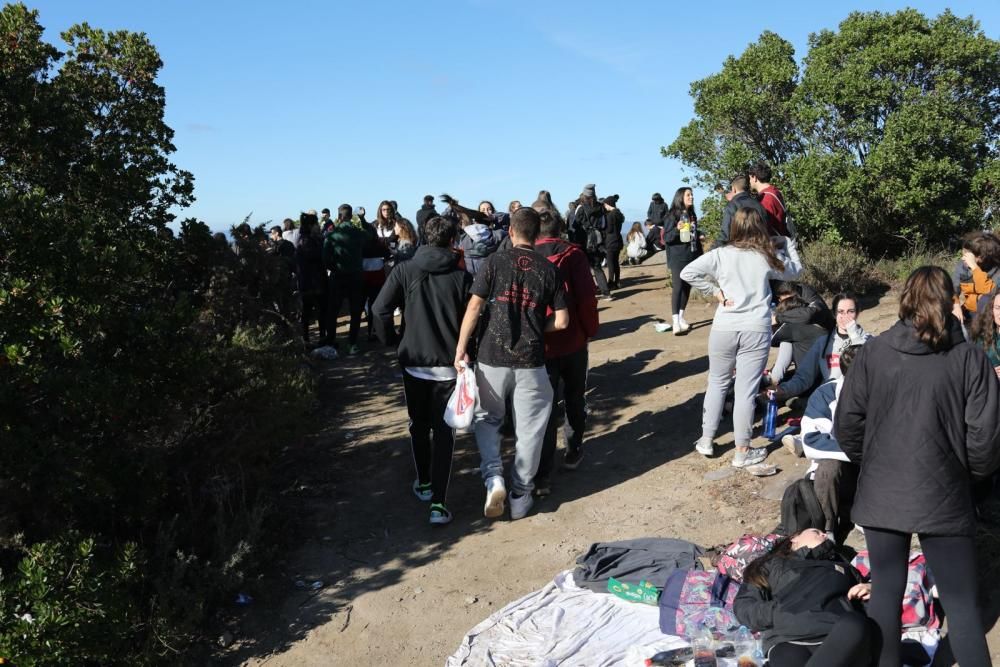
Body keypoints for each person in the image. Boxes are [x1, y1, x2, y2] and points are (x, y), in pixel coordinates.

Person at [834, 266, 1000, 667]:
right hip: (944, 493)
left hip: (883, 490)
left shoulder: (874, 352)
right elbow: (986, 439)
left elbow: (846, 425)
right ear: (950, 301)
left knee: (886, 595)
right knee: (961, 606)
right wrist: (967, 478)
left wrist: (873, 462)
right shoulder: (969, 359)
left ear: (905, 300)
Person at [453, 207, 569, 521]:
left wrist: (461, 349)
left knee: (488, 419)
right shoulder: (550, 270)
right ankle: (521, 495)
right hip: (531, 359)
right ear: (537, 234)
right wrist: (535, 328)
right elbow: (561, 322)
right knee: (530, 430)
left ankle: (493, 478)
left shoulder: (493, 262)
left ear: (512, 232)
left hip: (491, 356)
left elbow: (475, 306)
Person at [680, 208, 802, 467]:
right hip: (755, 328)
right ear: (760, 227)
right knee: (745, 390)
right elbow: (795, 272)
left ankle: (706, 439)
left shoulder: (720, 255)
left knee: (717, 382)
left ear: (734, 227)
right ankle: (742, 450)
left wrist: (714, 291)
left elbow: (687, 273)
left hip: (724, 326)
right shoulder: (765, 257)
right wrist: (787, 243)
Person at [372, 216, 472, 525]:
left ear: (423, 238)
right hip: (448, 364)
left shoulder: (405, 269)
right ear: (453, 240)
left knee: (418, 424)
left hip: (413, 361)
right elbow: (475, 319)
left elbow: (379, 309)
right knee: (445, 433)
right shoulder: (462, 276)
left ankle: (425, 484)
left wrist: (393, 341)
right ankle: (439, 505)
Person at [734, 528, 875, 667]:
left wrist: (871, 589)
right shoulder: (771, 564)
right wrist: (777, 613)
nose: (825, 534)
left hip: (837, 632)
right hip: (788, 638)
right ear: (794, 538)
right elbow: (744, 605)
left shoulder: (845, 567)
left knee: (855, 623)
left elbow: (873, 607)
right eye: (817, 531)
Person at [533, 205, 599, 495]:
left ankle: (543, 473)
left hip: (539, 343)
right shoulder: (574, 255)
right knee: (574, 397)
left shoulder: (523, 257)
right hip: (572, 338)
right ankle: (573, 450)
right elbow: (586, 299)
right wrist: (589, 330)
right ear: (560, 227)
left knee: (543, 408)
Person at [799, 344, 864, 544]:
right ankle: (828, 528)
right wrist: (860, 452)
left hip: (876, 468)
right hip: (845, 463)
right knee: (828, 467)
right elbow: (811, 442)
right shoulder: (827, 394)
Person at [768, 282, 835, 383]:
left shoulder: (792, 326)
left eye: (781, 300)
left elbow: (772, 340)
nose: (779, 302)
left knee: (786, 342)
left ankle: (774, 378)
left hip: (806, 381)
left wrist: (778, 319)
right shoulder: (803, 303)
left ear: (790, 297)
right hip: (825, 369)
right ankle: (775, 376)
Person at [323, 204, 367, 354]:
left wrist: (334, 268)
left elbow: (325, 259)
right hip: (356, 276)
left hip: (338, 276)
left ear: (339, 216)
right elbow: (371, 236)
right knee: (356, 311)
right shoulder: (359, 233)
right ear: (350, 216)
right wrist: (363, 219)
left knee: (333, 311)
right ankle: (352, 343)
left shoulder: (331, 235)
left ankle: (331, 340)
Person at [661, 187, 704, 335]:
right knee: (678, 287)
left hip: (691, 255)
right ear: (680, 197)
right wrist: (676, 229)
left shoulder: (692, 214)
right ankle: (675, 322)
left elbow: (693, 234)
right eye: (688, 195)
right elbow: (666, 238)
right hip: (678, 257)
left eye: (692, 194)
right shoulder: (672, 215)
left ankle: (681, 317)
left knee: (687, 287)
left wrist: (699, 235)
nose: (691, 197)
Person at [570, 184, 611, 299]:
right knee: (597, 267)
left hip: (585, 240)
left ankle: (589, 291)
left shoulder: (581, 208)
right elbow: (604, 224)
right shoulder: (601, 207)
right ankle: (606, 292)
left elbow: (575, 225)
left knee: (584, 268)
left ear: (584, 194)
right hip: (598, 239)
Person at [295, 212, 327, 343]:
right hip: (314, 282)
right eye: (316, 224)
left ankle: (308, 339)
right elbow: (318, 258)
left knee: (307, 312)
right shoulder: (308, 240)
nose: (318, 226)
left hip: (307, 281)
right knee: (317, 311)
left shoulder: (303, 239)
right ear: (311, 225)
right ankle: (319, 338)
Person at [955, 231, 1000, 319]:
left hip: (989, 315)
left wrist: (975, 268)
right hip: (968, 312)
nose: (963, 258)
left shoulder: (997, 270)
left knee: (985, 300)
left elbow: (990, 293)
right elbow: (952, 289)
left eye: (967, 256)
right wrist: (955, 305)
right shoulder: (963, 265)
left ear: (981, 257)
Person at [714, 175, 767, 249]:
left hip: (739, 250)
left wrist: (710, 252)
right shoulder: (759, 205)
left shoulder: (732, 206)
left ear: (734, 189)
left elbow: (725, 235)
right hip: (760, 249)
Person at [749, 161, 789, 237]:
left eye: (750, 178)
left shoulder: (766, 198)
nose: (749, 181)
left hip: (773, 244)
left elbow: (765, 227)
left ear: (755, 178)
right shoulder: (774, 192)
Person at [971, 289, 1000, 376]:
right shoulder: (982, 336)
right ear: (992, 310)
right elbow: (973, 366)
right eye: (998, 308)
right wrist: (989, 372)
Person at [602, 195, 624, 290]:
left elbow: (609, 229)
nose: (604, 206)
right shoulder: (619, 213)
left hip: (611, 241)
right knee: (616, 262)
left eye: (605, 204)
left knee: (610, 263)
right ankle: (617, 281)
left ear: (608, 204)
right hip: (618, 239)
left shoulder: (610, 215)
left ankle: (611, 283)